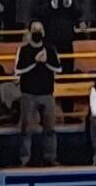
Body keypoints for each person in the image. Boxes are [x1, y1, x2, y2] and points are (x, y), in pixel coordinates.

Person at [33, 0, 84, 115]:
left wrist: (68, 3)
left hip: (67, 44)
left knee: (68, 77)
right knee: (47, 79)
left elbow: (78, 12)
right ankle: (46, 114)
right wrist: (52, 5)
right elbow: (36, 14)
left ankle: (69, 113)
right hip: (49, 45)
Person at [15, 19, 61, 166]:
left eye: (40, 29)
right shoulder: (23, 50)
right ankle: (24, 159)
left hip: (47, 94)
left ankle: (50, 158)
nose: (37, 32)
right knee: (26, 130)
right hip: (28, 94)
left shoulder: (50, 48)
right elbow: (18, 70)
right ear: (29, 32)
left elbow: (58, 69)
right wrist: (35, 62)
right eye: (34, 29)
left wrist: (46, 61)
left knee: (50, 129)